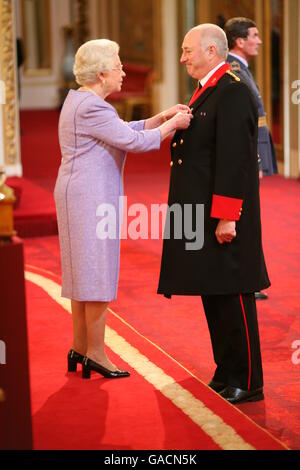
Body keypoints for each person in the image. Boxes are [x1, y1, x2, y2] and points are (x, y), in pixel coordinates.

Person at [54, 39, 192, 380]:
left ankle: (81, 346)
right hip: (90, 196)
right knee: (96, 271)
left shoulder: (80, 100)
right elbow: (134, 142)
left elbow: (122, 131)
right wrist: (172, 126)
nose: (123, 72)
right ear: (101, 74)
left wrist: (160, 117)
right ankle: (97, 353)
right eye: (118, 66)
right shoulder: (94, 108)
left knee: (82, 272)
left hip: (77, 193)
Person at [157, 24, 270, 404]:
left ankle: (248, 380)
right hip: (202, 213)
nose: (182, 57)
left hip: (223, 216)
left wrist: (227, 216)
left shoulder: (232, 90)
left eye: (187, 50)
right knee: (214, 292)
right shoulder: (211, 89)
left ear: (210, 49)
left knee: (233, 294)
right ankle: (227, 370)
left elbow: (235, 160)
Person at [224, 17, 277, 301]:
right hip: (246, 155)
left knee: (247, 218)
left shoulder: (240, 69)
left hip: (251, 153)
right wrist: (255, 159)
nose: (259, 40)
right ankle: (245, 279)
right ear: (239, 41)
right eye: (254, 35)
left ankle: (249, 278)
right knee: (244, 218)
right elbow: (242, 122)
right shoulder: (234, 71)